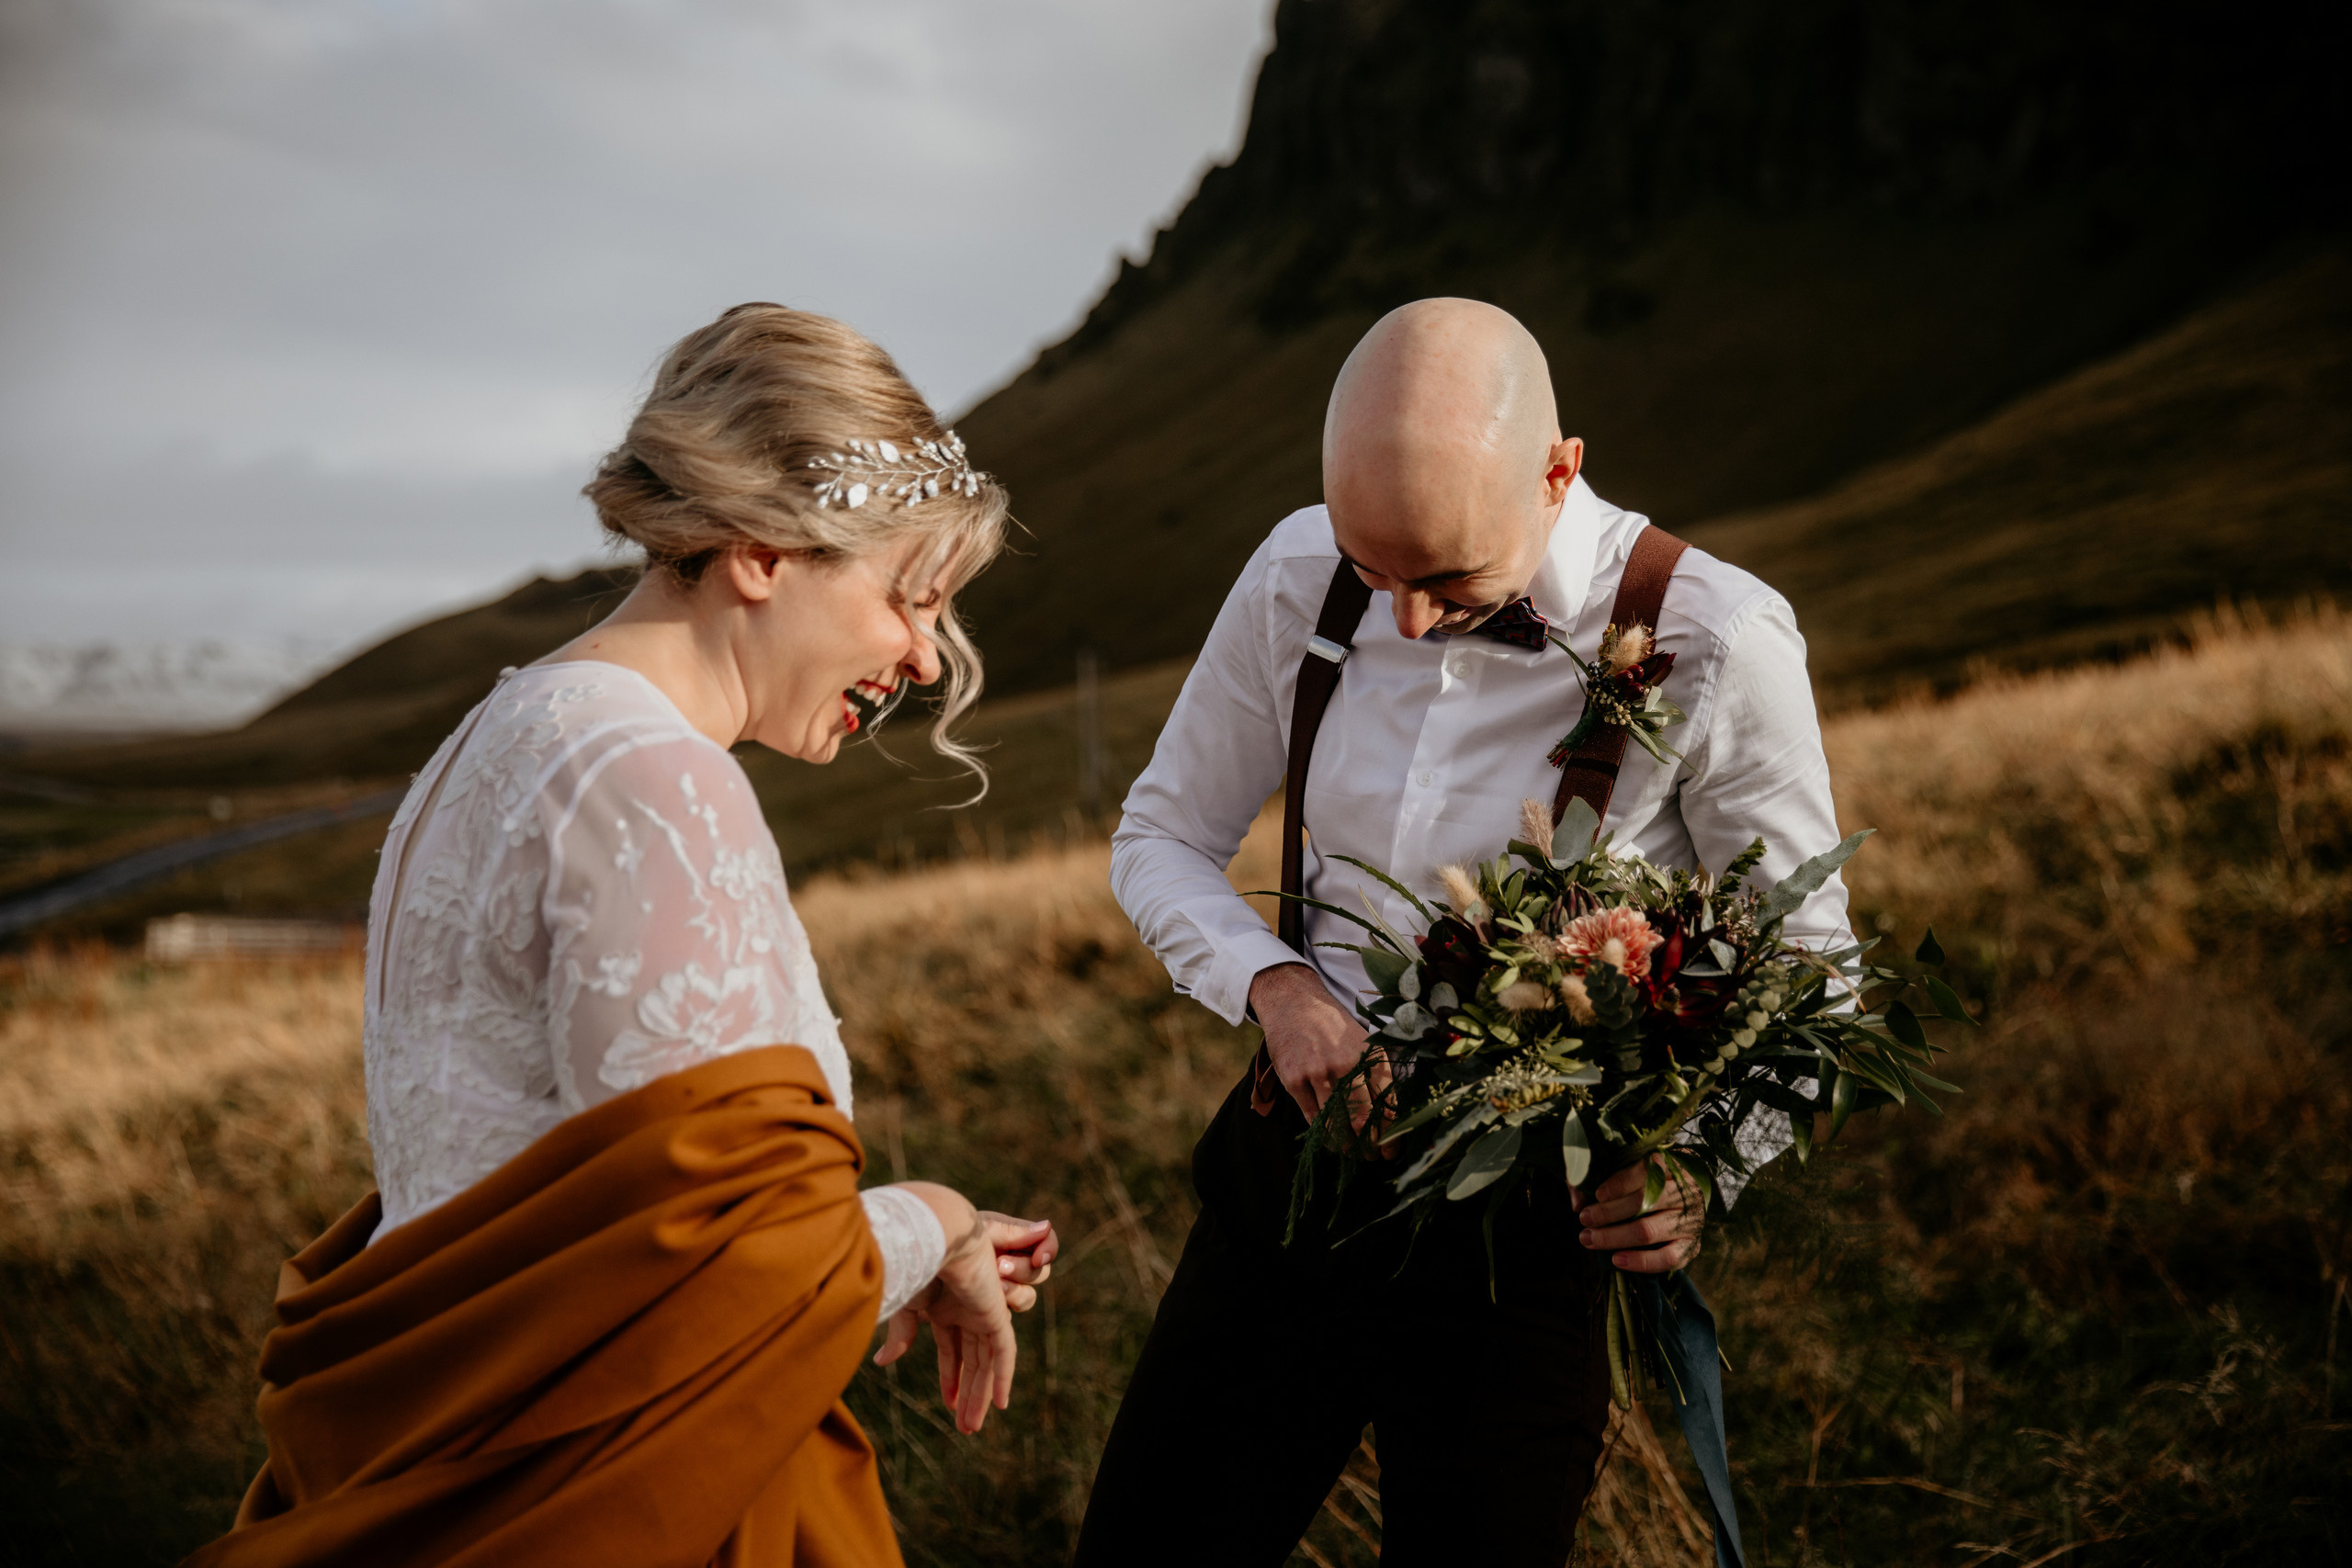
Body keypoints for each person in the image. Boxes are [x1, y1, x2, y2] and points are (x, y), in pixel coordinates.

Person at [187, 304, 1057, 1568]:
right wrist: (938, 1217)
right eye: (908, 599)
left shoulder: (489, 744)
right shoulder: (654, 781)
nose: (926, 661)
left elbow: (589, 1219)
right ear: (763, 549)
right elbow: (694, 1288)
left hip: (444, 1444)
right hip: (615, 1493)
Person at [1078, 298, 1854, 1566]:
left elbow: (1812, 963)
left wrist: (1706, 1164)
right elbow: (1159, 834)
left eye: (1447, 580)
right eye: (1374, 574)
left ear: (1559, 473)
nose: (1406, 623)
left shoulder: (1718, 635)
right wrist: (1276, 988)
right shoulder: (1292, 573)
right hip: (1295, 1189)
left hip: (1529, 1241)